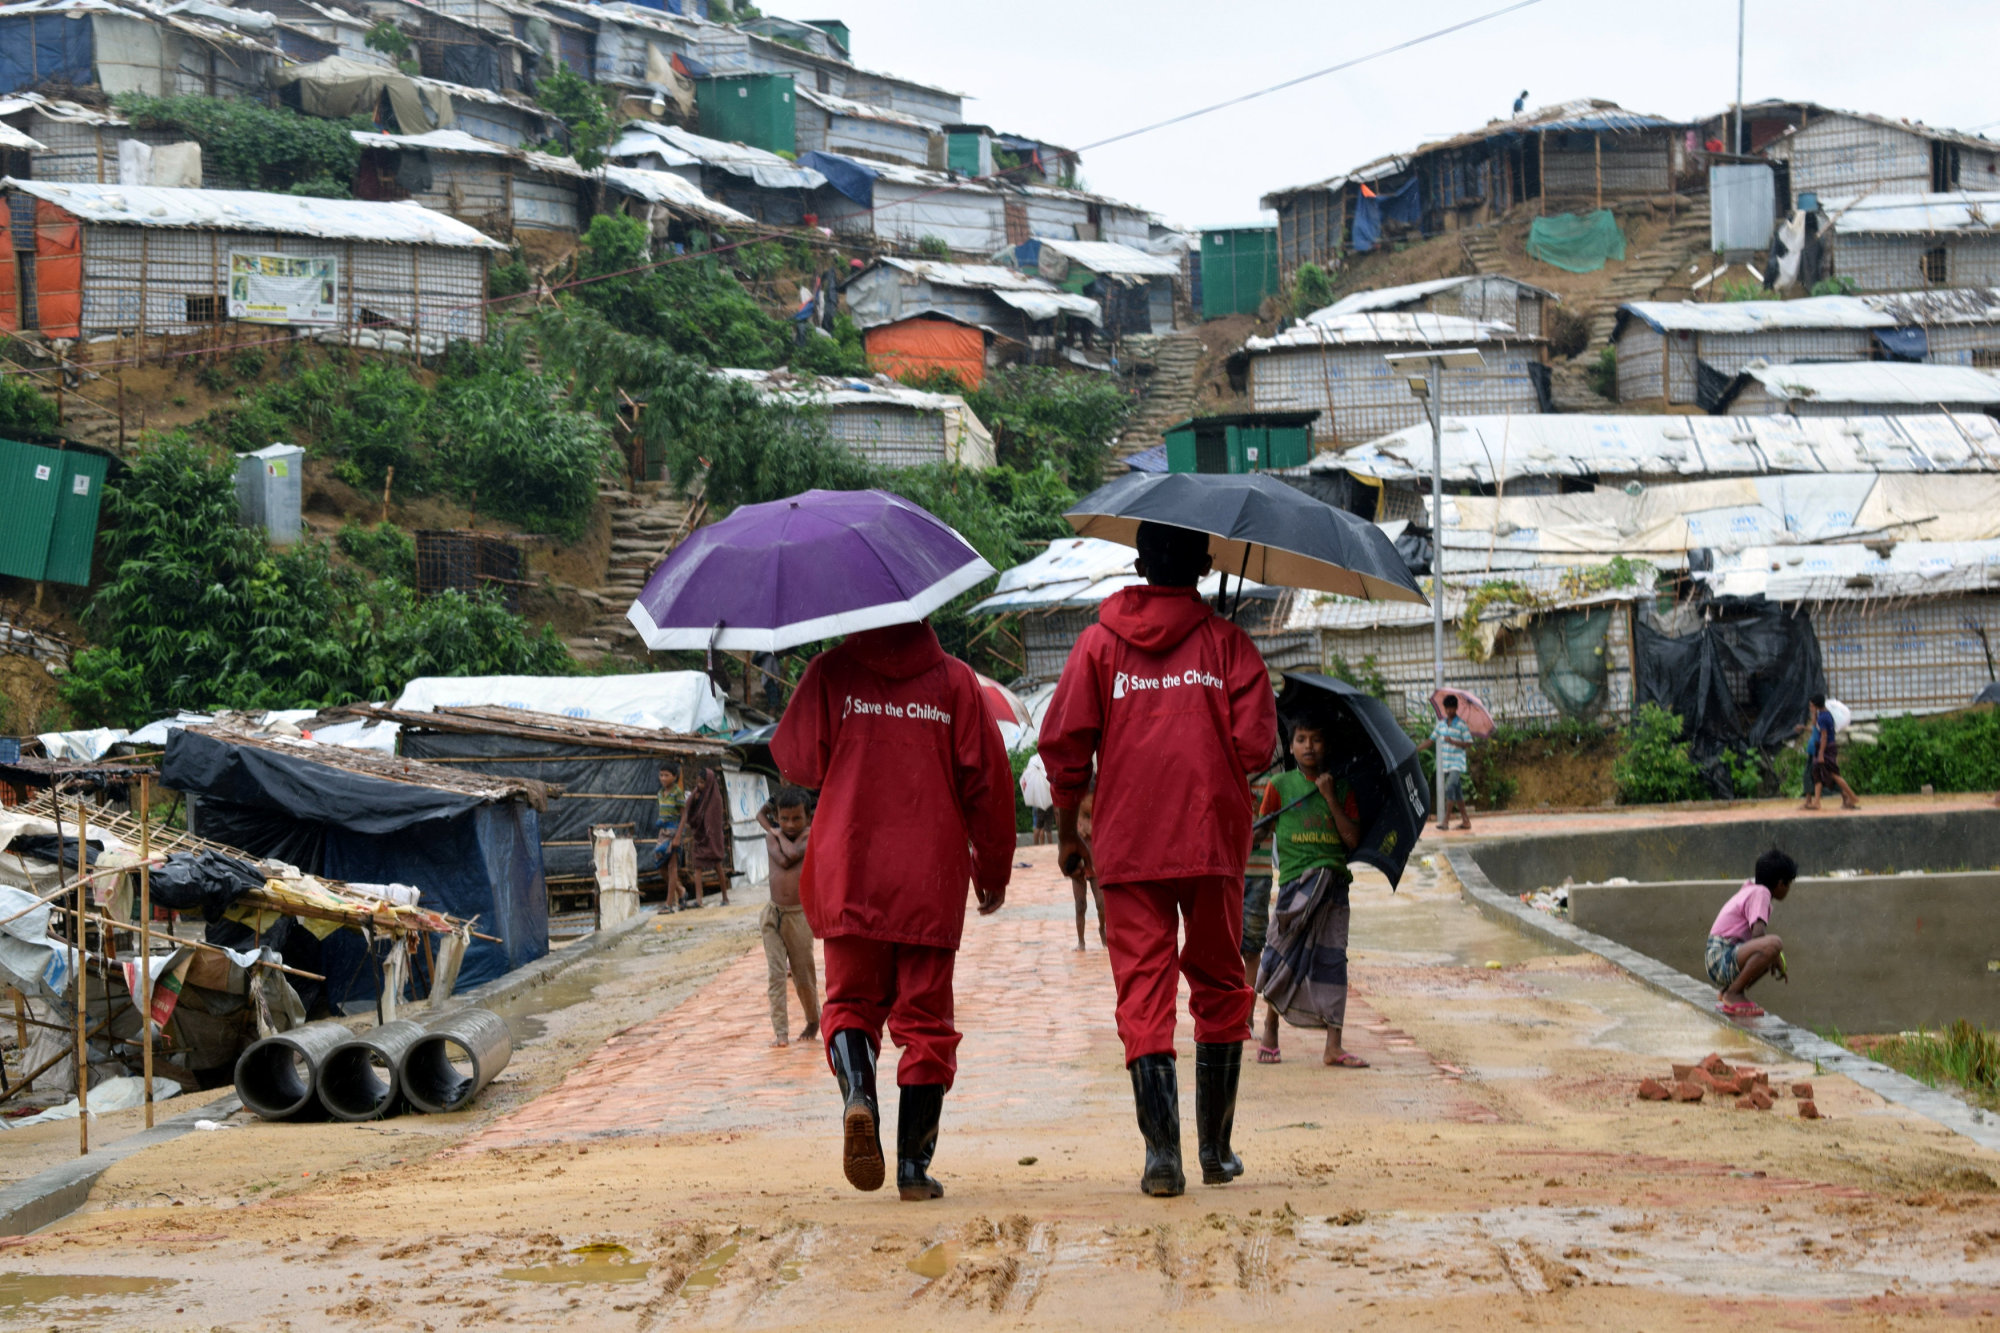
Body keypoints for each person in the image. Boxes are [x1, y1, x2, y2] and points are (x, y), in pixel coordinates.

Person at [1040, 520, 1278, 1198]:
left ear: (1140, 562)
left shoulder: (1096, 645)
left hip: (1128, 843)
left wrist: (1067, 831)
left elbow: (1064, 750)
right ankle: (1218, 1150)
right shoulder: (1228, 644)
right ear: (1206, 564)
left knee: (1143, 992)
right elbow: (1257, 745)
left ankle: (1161, 1158)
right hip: (1210, 840)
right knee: (1219, 983)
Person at [773, 618, 1014, 1202]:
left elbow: (795, 762)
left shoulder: (831, 674)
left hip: (849, 864)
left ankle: (859, 1096)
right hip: (929, 874)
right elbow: (990, 785)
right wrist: (994, 869)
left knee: (850, 1003)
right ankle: (912, 1168)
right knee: (926, 1022)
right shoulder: (957, 684)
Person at [1254, 718, 1365, 1068]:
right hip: (1294, 885)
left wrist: (1329, 796)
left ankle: (1334, 1045)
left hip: (1331, 886)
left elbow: (1351, 840)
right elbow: (1261, 831)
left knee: (1332, 962)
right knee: (1278, 955)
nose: (1309, 746)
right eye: (1301, 739)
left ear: (1326, 746)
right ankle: (1270, 1030)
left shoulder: (1342, 788)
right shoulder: (1279, 786)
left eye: (1316, 739)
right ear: (1291, 747)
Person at [761, 786, 820, 1048]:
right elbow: (781, 858)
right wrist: (773, 831)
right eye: (783, 819)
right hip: (773, 913)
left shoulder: (809, 837)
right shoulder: (771, 838)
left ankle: (813, 1019)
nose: (789, 824)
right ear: (777, 816)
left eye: (797, 818)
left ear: (808, 818)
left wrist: (774, 831)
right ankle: (781, 1032)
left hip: (799, 916)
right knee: (775, 974)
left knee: (803, 975)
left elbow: (792, 857)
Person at [1707, 848, 1795, 1017]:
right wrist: (1776, 955)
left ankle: (1727, 992)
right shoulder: (1761, 893)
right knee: (1774, 943)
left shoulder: (1752, 888)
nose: (1788, 889)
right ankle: (1734, 993)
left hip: (1721, 957)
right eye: (1788, 884)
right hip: (1720, 957)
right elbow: (1758, 934)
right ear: (1780, 884)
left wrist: (1772, 957)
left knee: (1769, 953)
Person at [1243, 766, 1280, 1063]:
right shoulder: (1221, 775)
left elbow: (1274, 826)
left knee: (1252, 949)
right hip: (1224, 873)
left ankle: (1246, 1018)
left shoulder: (1272, 785)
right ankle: (1229, 1017)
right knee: (1223, 950)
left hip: (1257, 875)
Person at [1416, 695, 1476, 831]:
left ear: (1456, 708)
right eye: (1447, 708)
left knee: (1449, 788)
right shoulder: (1441, 725)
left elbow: (1469, 743)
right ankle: (1466, 821)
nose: (1449, 710)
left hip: (1457, 764)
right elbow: (1430, 740)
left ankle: (1446, 821)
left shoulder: (1461, 725)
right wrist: (1416, 750)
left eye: (1452, 708)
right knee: (1457, 792)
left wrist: (1453, 741)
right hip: (1447, 764)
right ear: (1445, 709)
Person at [1803, 695, 1860, 812]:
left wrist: (1821, 754)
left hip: (1826, 748)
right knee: (1817, 774)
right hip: (1824, 747)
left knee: (1834, 774)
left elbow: (1824, 737)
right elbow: (1815, 725)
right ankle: (1817, 802)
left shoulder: (1824, 718)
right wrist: (1814, 713)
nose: (1810, 708)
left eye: (1811, 705)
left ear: (1815, 705)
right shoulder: (1823, 715)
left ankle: (1852, 797)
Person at [1070, 783, 1106, 951]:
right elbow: (1068, 838)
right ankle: (1081, 941)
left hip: (1094, 863)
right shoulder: (1072, 814)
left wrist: (1090, 830)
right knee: (1080, 905)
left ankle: (1102, 927)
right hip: (1078, 866)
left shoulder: (1097, 813)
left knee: (1101, 903)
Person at [654, 764, 687, 908]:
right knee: (661, 866)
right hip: (663, 833)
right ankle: (680, 890)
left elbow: (684, 815)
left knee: (672, 867)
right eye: (661, 775)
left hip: (674, 831)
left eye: (666, 775)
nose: (663, 778)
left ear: (674, 776)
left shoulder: (677, 792)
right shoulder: (660, 793)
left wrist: (678, 836)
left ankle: (668, 904)